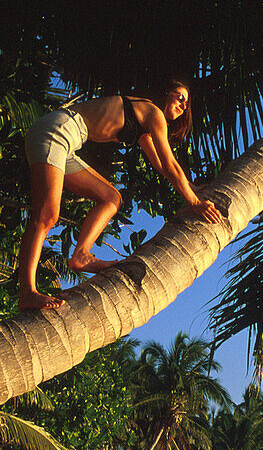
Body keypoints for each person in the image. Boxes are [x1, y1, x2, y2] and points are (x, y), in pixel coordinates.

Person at [18, 80, 223, 309]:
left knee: (111, 198)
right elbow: (170, 162)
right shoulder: (153, 112)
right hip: (58, 131)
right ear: (165, 93)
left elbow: (162, 166)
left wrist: (192, 188)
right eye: (179, 96)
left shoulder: (143, 127)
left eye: (187, 104)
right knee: (47, 216)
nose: (183, 105)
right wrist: (194, 202)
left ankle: (81, 256)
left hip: (66, 141)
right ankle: (27, 292)